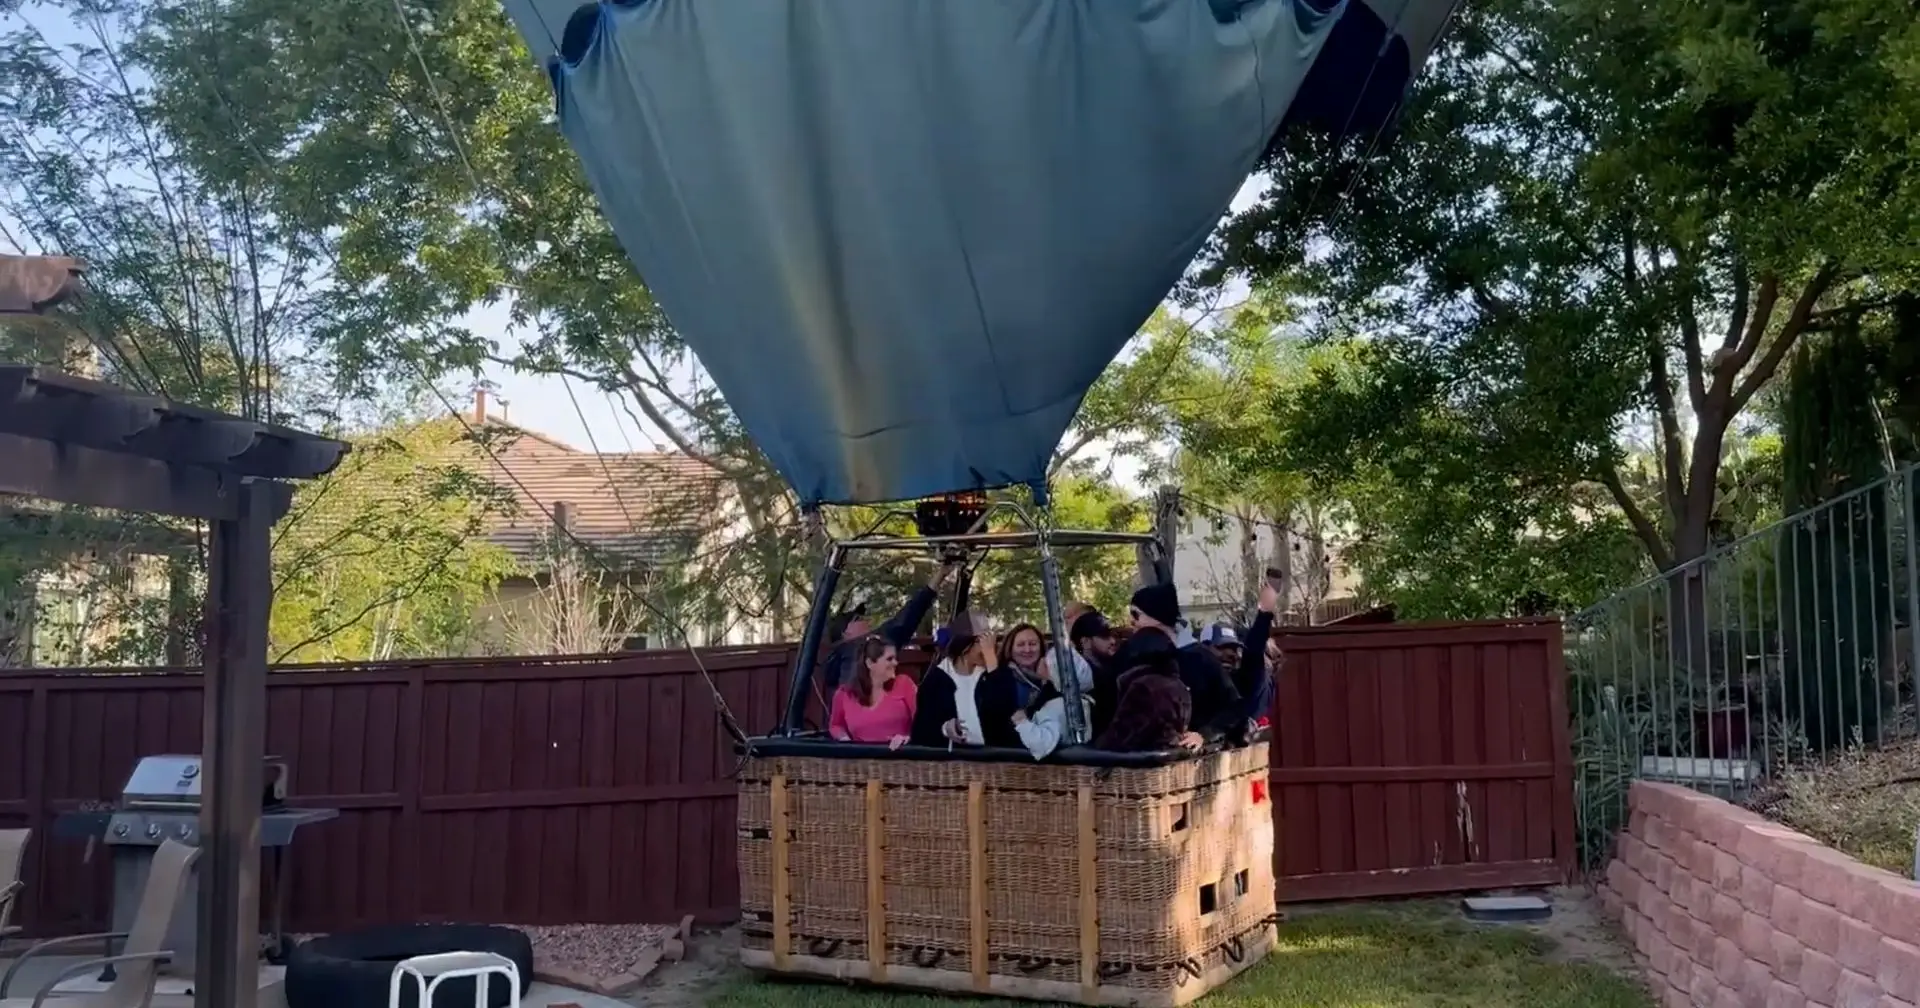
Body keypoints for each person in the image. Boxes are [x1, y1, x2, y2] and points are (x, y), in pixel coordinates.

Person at [1116, 582, 1247, 745]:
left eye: (1136, 615)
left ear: (1156, 617)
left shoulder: (1200, 658)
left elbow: (1235, 707)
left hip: (1193, 758)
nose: (1131, 622)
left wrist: (1203, 735)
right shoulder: (1129, 653)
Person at [822, 555, 962, 691]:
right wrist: (940, 576)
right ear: (846, 633)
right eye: (857, 620)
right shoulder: (862, 648)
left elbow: (908, 616)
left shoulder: (841, 662)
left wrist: (940, 576)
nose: (864, 620)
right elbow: (908, 616)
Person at [1092, 628, 1200, 752]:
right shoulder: (1178, 684)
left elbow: (1122, 736)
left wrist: (1098, 743)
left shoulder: (1143, 687)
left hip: (1142, 761)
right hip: (1169, 756)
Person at [910, 611, 997, 748]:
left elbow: (1005, 710)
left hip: (995, 759)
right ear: (965, 646)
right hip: (955, 762)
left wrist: (991, 660)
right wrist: (945, 728)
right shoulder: (937, 680)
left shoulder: (990, 674)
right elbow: (921, 731)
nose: (989, 646)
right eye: (984, 640)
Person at [828, 636, 917, 749]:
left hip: (900, 756)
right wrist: (845, 741)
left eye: (895, 658)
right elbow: (836, 725)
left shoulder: (904, 684)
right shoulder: (844, 694)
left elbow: (923, 720)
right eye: (889, 659)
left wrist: (908, 737)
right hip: (861, 761)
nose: (895, 663)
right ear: (870, 663)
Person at [1009, 645, 1093, 760]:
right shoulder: (1078, 702)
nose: (1042, 660)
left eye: (1046, 662)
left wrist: (1021, 722)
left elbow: (1042, 745)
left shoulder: (1056, 707)